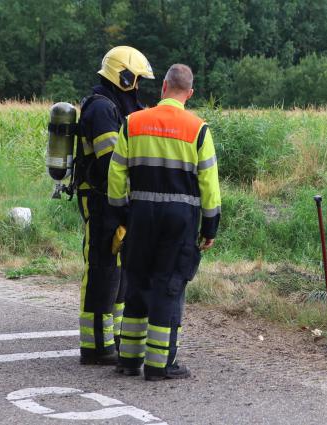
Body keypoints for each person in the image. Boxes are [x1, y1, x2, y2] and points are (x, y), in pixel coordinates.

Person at [108, 64, 221, 380]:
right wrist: (210, 227)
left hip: (140, 215)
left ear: (163, 88)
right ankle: (160, 365)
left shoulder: (132, 123)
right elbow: (209, 185)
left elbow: (116, 174)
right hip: (180, 220)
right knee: (168, 286)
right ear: (190, 93)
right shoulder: (198, 130)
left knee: (137, 282)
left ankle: (128, 360)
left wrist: (121, 214)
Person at [77, 46, 154, 365]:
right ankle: (95, 346)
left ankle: (116, 337)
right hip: (100, 199)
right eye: (135, 80)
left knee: (119, 269)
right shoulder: (102, 110)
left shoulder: (112, 107)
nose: (137, 88)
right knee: (102, 269)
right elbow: (111, 165)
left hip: (115, 199)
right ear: (122, 77)